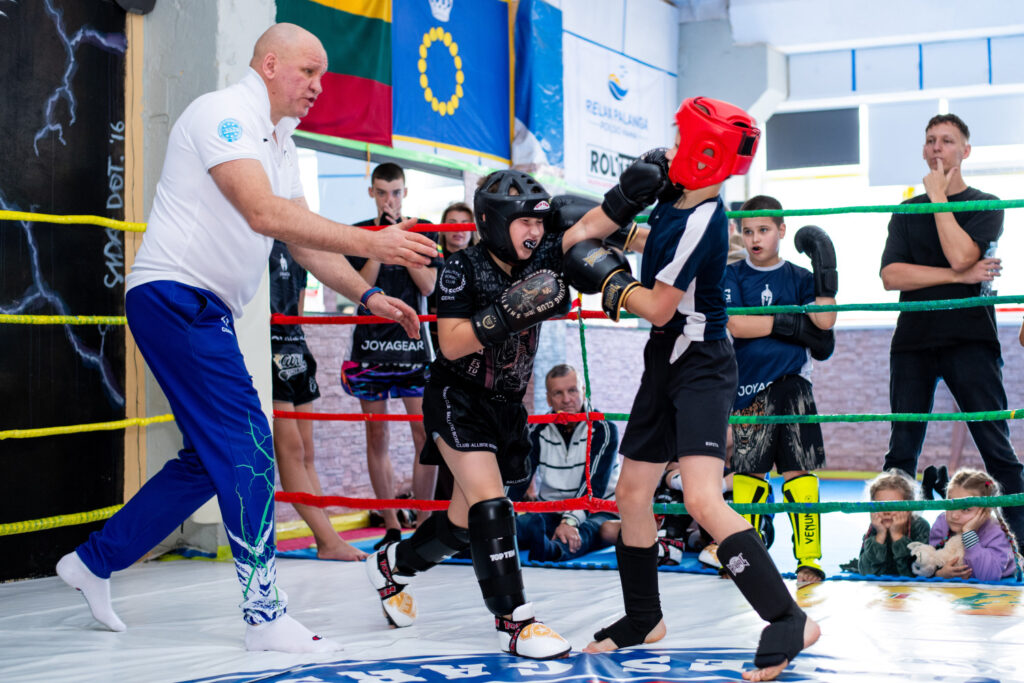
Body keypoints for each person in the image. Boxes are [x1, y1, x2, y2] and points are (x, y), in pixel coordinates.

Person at [54, 23, 438, 653]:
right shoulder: (223, 115)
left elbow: (303, 238)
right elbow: (262, 212)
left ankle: (94, 561)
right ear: (269, 64)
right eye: (309, 72)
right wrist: (373, 240)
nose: (318, 86)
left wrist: (368, 295)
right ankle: (264, 614)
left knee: (209, 459)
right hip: (176, 296)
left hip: (202, 309)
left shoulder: (281, 140)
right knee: (253, 446)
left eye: (323, 75)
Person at [562, 96, 819, 681]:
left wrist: (609, 280)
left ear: (706, 154)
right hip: (665, 359)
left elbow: (657, 306)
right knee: (632, 492)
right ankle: (644, 616)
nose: (674, 150)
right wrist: (609, 213)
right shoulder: (673, 191)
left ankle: (788, 618)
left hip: (702, 364)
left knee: (703, 498)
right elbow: (593, 233)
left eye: (684, 142)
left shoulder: (706, 218)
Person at [363, 170, 615, 659]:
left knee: (463, 525)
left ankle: (392, 565)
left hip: (507, 405)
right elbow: (452, 343)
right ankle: (514, 622)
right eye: (524, 222)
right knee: (492, 504)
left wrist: (632, 196)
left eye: (539, 222)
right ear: (495, 223)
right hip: (458, 398)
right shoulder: (461, 267)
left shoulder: (542, 255)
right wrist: (509, 311)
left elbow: (589, 226)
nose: (535, 232)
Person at [880, 113, 1024, 543]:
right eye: (931, 140)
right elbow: (891, 276)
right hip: (913, 342)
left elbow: (963, 254)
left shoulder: (986, 204)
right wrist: (960, 277)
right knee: (901, 450)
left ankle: (1021, 542)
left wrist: (939, 197)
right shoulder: (906, 212)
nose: (937, 148)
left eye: (947, 140)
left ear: (966, 150)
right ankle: (888, 545)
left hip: (970, 339)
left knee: (995, 446)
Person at [723, 194, 837, 587]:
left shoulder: (800, 277)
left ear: (781, 230)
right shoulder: (732, 275)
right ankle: (746, 558)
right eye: (748, 231)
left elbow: (824, 321)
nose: (755, 238)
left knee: (798, 472)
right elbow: (738, 325)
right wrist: (790, 322)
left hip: (792, 383)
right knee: (749, 476)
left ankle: (809, 560)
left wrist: (825, 270)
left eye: (764, 230)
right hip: (748, 387)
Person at [343, 162, 439, 547]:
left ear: (405, 192)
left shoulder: (422, 229)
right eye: (382, 192)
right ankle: (391, 524)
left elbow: (428, 287)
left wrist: (403, 241)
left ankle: (425, 521)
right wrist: (381, 242)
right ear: (372, 193)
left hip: (413, 347)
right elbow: (359, 289)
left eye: (396, 192)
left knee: (423, 434)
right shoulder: (359, 232)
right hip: (370, 348)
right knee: (377, 434)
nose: (389, 200)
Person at [270, 240, 366, 561]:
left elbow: (297, 308)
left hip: (295, 345)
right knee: (292, 449)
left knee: (307, 451)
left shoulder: (294, 243)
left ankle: (326, 538)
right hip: (269, 347)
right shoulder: (253, 237)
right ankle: (327, 539)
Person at [510, 364, 620, 562]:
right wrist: (500, 514)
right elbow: (520, 478)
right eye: (558, 393)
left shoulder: (604, 429)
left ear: (583, 391)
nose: (567, 399)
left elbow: (593, 487)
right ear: (548, 398)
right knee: (520, 525)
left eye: (572, 390)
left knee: (588, 530)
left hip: (596, 510)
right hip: (552, 509)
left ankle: (551, 551)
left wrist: (569, 521)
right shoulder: (536, 430)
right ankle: (469, 546)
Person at [429, 202, 479, 505]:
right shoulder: (433, 261)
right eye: (451, 222)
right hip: (436, 354)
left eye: (464, 222)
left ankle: (469, 502)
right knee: (440, 426)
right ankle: (442, 507)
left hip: (471, 354)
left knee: (468, 427)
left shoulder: (480, 263)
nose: (458, 228)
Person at [923, 468, 1018, 581]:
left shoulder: (996, 533)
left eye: (965, 509)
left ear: (985, 511)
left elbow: (988, 576)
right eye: (950, 505)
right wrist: (939, 573)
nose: (954, 515)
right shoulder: (942, 522)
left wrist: (969, 533)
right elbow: (931, 559)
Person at [857, 469, 930, 577]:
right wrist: (880, 536)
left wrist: (897, 536)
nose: (886, 512)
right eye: (880, 506)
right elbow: (866, 573)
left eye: (893, 505)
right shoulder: (876, 527)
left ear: (909, 508)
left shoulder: (920, 526)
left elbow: (916, 573)